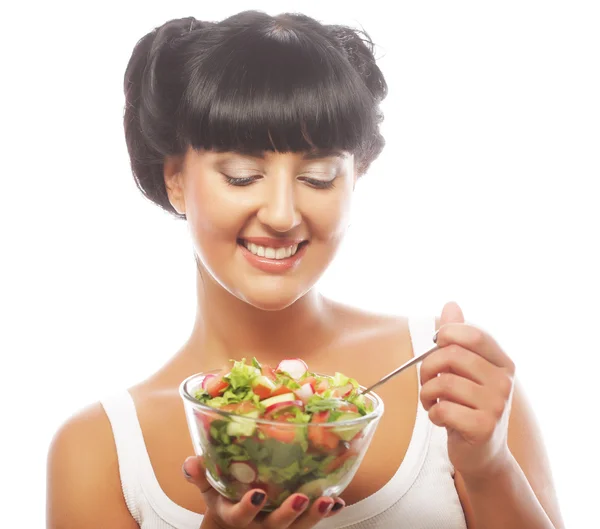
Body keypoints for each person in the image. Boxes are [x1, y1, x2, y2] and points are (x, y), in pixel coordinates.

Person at [46, 10, 565, 529]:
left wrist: (488, 466)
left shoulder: (449, 374)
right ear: (176, 180)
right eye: (243, 175)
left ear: (355, 178)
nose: (281, 214)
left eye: (317, 178)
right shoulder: (99, 452)